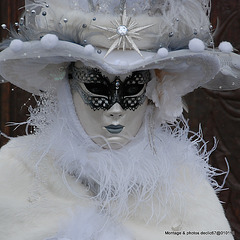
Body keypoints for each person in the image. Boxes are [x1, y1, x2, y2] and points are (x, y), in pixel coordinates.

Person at [0, 0, 239, 239]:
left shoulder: (184, 184)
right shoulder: (16, 170)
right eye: (95, 87)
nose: (116, 108)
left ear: (152, 93)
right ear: (66, 88)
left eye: (133, 88)